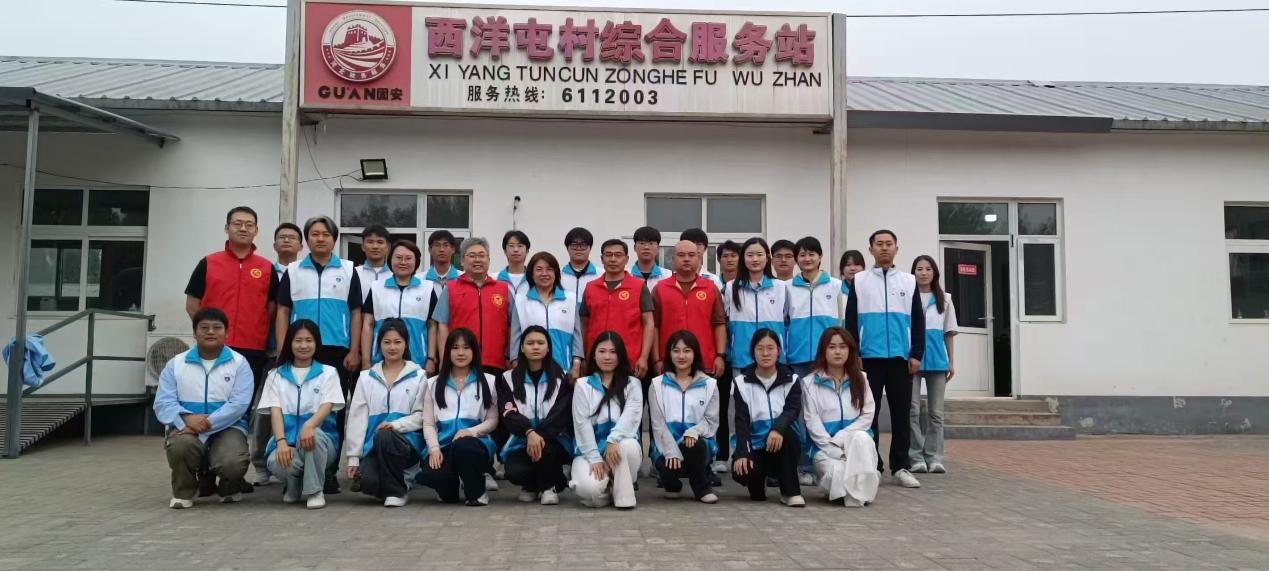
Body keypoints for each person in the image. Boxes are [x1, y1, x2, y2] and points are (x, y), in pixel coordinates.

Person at [183, 206, 278, 488]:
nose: (243, 228)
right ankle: (205, 472)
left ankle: (233, 473)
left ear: (257, 230)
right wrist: (210, 335)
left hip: (251, 349)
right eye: (237, 223)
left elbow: (271, 308)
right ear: (227, 228)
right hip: (214, 351)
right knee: (210, 404)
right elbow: (192, 304)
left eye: (249, 224)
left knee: (241, 411)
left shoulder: (266, 267)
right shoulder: (208, 263)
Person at [275, 215, 363, 493]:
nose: (321, 238)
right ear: (307, 240)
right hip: (299, 349)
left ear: (334, 239)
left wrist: (354, 349)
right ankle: (295, 466)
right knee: (298, 406)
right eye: (315, 234)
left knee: (335, 410)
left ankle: (328, 470)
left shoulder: (348, 269)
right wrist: (283, 350)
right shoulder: (293, 271)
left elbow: (356, 312)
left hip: (337, 350)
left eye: (326, 234)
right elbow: (283, 311)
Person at [844, 229, 925, 489]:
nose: (884, 248)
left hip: (901, 358)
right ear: (871, 250)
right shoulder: (860, 281)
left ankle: (900, 466)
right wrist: (854, 354)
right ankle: (874, 466)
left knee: (902, 414)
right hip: (869, 359)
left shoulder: (909, 281)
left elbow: (918, 320)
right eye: (879, 244)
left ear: (896, 249)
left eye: (889, 244)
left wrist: (916, 354)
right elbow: (851, 321)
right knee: (870, 413)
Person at [154, 307, 254, 509]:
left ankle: (229, 488)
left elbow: (239, 404)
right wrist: (186, 418)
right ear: (194, 332)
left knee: (232, 461)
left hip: (228, 427)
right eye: (204, 327)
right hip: (186, 426)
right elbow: (163, 402)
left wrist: (206, 423)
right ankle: (184, 492)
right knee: (180, 446)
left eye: (217, 327)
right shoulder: (176, 364)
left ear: (226, 332)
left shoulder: (239, 363)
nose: (210, 332)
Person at [391, 329, 499, 506]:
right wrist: (434, 449)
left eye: (466, 348)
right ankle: (450, 487)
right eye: (455, 348)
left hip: (474, 444)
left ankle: (477, 492)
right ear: (447, 352)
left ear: (474, 351)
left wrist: (470, 431)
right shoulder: (433, 383)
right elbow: (428, 423)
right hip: (443, 446)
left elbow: (493, 420)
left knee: (465, 446)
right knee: (435, 477)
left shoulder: (488, 381)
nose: (461, 353)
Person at [445, 237, 514, 492]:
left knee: (493, 416)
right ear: (462, 260)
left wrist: (511, 356)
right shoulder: (451, 288)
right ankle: (466, 467)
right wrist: (443, 357)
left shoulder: (503, 289)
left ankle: (488, 467)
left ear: (489, 259)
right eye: (472, 255)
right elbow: (441, 325)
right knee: (468, 413)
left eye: (481, 255)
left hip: (495, 362)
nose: (477, 260)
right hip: (461, 364)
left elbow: (513, 326)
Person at [258, 319, 345, 509]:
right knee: (275, 461)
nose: (303, 345)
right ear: (289, 343)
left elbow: (327, 405)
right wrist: (281, 442)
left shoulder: (328, 372)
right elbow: (275, 412)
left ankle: (315, 491)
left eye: (309, 340)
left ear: (317, 343)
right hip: (288, 441)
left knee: (313, 437)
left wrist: (309, 425)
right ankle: (293, 486)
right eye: (298, 340)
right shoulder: (275, 375)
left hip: (322, 442)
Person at [344, 319, 427, 507]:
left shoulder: (419, 376)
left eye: (397, 342)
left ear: (406, 344)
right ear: (379, 344)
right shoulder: (366, 378)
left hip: (407, 446)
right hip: (375, 447)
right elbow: (357, 419)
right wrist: (353, 458)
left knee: (385, 435)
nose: (392, 347)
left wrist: (395, 425)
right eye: (387, 342)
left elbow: (422, 416)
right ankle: (401, 480)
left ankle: (397, 492)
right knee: (367, 483)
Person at [802, 327, 880, 507]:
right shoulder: (809, 383)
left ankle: (860, 487)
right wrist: (835, 450)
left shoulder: (861, 379)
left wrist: (842, 439)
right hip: (826, 450)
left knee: (861, 437)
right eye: (832, 347)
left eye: (843, 347)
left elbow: (867, 416)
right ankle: (859, 484)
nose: (838, 352)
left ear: (850, 350)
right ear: (823, 351)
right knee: (839, 478)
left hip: (857, 447)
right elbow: (813, 424)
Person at [497, 325, 575, 505]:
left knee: (546, 451)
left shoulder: (561, 377)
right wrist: (528, 432)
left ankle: (549, 486)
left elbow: (560, 414)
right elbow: (508, 413)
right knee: (513, 470)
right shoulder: (508, 378)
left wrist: (538, 436)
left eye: (540, 343)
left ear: (548, 348)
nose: (535, 347)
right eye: (530, 343)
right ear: (522, 348)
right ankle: (532, 485)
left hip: (554, 440)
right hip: (521, 440)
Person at [731, 329, 805, 507]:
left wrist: (777, 429)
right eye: (760, 348)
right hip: (757, 445)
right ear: (753, 352)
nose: (765, 353)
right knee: (744, 473)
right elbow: (741, 422)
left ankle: (790, 492)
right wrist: (743, 453)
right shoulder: (741, 382)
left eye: (770, 348)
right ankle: (758, 482)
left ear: (778, 351)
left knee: (788, 436)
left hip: (783, 443)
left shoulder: (792, 379)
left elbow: (792, 410)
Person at [570, 332, 644, 509]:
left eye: (613, 352)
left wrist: (613, 440)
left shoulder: (632, 384)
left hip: (620, 448)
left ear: (621, 355)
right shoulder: (583, 385)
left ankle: (624, 498)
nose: (607, 357)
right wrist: (595, 458)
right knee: (590, 490)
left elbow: (631, 416)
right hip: (591, 451)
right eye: (602, 351)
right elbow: (582, 424)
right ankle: (608, 489)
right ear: (594, 355)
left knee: (627, 446)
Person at [649, 330, 720, 504]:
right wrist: (671, 451)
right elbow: (658, 424)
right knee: (668, 464)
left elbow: (711, 420)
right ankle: (671, 484)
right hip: (667, 444)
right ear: (669, 354)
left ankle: (701, 488)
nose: (681, 356)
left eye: (687, 351)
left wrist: (694, 432)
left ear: (695, 354)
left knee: (694, 445)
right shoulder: (657, 385)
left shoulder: (709, 384)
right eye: (676, 351)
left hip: (696, 444)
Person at [360, 240, 444, 373]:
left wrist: (431, 358)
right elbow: (367, 325)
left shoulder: (427, 288)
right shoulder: (377, 287)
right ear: (390, 260)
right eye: (398, 258)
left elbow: (433, 326)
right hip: (380, 361)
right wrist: (366, 360)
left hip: (418, 361)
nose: (403, 262)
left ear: (416, 262)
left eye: (408, 258)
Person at [580, 239, 655, 380]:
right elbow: (583, 324)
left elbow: (648, 323)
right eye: (608, 255)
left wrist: (644, 357)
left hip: (629, 360)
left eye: (618, 255)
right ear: (602, 259)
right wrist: (582, 357)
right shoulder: (591, 288)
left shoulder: (639, 287)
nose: (613, 259)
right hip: (596, 360)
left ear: (626, 259)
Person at [909, 255, 958, 475]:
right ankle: (916, 456)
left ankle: (935, 457)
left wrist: (951, 362)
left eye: (928, 269)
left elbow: (949, 333)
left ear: (935, 272)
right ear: (913, 272)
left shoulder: (945, 299)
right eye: (919, 269)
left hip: (938, 361)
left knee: (936, 413)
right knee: (912, 410)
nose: (923, 273)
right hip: (912, 360)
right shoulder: (907, 297)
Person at [509, 252, 582, 376]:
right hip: (529, 370)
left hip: (563, 368)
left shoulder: (569, 299)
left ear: (556, 273)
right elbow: (515, 338)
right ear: (531, 274)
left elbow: (577, 336)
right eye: (539, 269)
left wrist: (576, 365)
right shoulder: (521, 300)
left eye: (549, 269)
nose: (544, 273)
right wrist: (516, 364)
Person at [724, 237, 789, 373]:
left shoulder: (781, 287)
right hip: (742, 358)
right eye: (750, 255)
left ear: (767, 258)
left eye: (759, 255)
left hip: (773, 358)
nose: (755, 259)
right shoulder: (731, 287)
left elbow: (787, 321)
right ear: (743, 258)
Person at [787, 237, 847, 376]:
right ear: (796, 259)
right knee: (798, 390)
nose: (807, 259)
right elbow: (784, 323)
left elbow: (842, 322)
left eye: (812, 254)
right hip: (796, 356)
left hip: (827, 356)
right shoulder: (787, 287)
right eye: (802, 255)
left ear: (820, 257)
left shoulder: (835, 285)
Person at [560, 226, 599, 303]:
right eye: (574, 245)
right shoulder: (558, 274)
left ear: (590, 248)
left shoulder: (601, 274)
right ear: (567, 248)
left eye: (583, 245)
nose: (578, 248)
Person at [355, 224, 393, 302]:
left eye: (380, 242)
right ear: (363, 246)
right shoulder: (354, 273)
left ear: (388, 247)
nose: (375, 246)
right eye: (370, 242)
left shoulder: (395, 275)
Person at [631, 225, 672, 291]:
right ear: (635, 248)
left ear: (658, 248)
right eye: (642, 243)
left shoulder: (668, 275)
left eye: (651, 243)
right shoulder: (625, 275)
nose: (646, 247)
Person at [496, 230, 532, 298]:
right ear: (505, 251)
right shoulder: (495, 278)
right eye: (511, 246)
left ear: (527, 251)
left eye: (520, 246)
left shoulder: (533, 278)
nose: (515, 249)